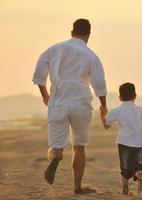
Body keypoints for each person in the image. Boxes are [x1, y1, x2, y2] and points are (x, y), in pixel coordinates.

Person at [32, 19, 107, 194]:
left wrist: (45, 96)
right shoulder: (91, 56)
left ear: (71, 32)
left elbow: (39, 75)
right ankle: (77, 187)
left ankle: (56, 156)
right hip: (80, 103)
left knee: (56, 145)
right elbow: (99, 84)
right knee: (79, 146)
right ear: (88, 35)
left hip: (58, 102)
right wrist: (103, 106)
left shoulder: (53, 50)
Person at [100, 82, 142, 196]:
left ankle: (125, 189)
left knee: (125, 168)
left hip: (124, 142)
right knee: (139, 164)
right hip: (140, 143)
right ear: (135, 96)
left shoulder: (117, 110)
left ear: (120, 98)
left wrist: (102, 114)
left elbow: (106, 125)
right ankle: (139, 173)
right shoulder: (140, 110)